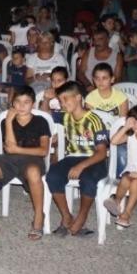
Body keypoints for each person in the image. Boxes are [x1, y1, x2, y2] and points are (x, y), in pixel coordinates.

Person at [0, 86, 51, 240]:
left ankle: (39, 216)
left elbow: (43, 150)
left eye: (26, 102)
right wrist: (9, 122)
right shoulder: (6, 121)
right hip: (9, 160)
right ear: (12, 103)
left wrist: (18, 149)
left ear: (33, 104)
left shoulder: (41, 121)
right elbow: (9, 149)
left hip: (33, 160)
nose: (22, 106)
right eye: (18, 101)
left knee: (33, 172)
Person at [46, 81, 109, 236]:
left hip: (94, 159)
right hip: (72, 157)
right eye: (60, 100)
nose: (62, 103)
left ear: (78, 97)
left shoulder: (94, 120)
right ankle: (66, 216)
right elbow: (45, 115)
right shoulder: (65, 116)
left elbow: (101, 153)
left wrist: (81, 166)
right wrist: (46, 100)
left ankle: (82, 216)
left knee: (88, 179)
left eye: (66, 99)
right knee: (52, 174)